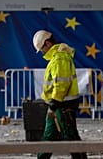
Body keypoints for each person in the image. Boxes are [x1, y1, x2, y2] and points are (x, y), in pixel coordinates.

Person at [32, 30, 87, 159]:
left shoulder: (59, 58)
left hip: (62, 105)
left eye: (41, 49)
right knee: (49, 137)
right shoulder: (57, 57)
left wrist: (54, 103)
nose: (42, 52)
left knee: (70, 138)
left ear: (47, 43)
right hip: (58, 105)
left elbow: (61, 84)